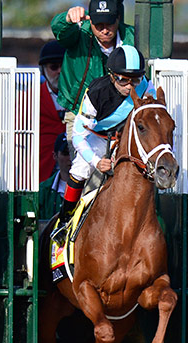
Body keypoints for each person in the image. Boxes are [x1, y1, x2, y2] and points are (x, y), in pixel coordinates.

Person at [52, 44, 155, 235]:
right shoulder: (96, 92)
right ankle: (64, 221)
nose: (130, 86)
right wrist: (96, 161)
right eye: (123, 80)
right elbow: (78, 136)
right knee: (80, 169)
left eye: (135, 80)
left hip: (126, 137)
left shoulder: (147, 87)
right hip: (97, 138)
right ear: (111, 75)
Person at [51, 0, 135, 151]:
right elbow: (59, 30)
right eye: (99, 25)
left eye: (109, 23)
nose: (104, 30)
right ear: (90, 20)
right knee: (89, 171)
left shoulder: (133, 37)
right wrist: (67, 18)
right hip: (81, 115)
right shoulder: (79, 32)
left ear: (118, 19)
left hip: (122, 116)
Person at [38, 41, 67, 181]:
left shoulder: (83, 97)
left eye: (64, 66)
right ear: (43, 70)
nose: (59, 71)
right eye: (54, 67)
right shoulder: (29, 98)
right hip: (41, 174)